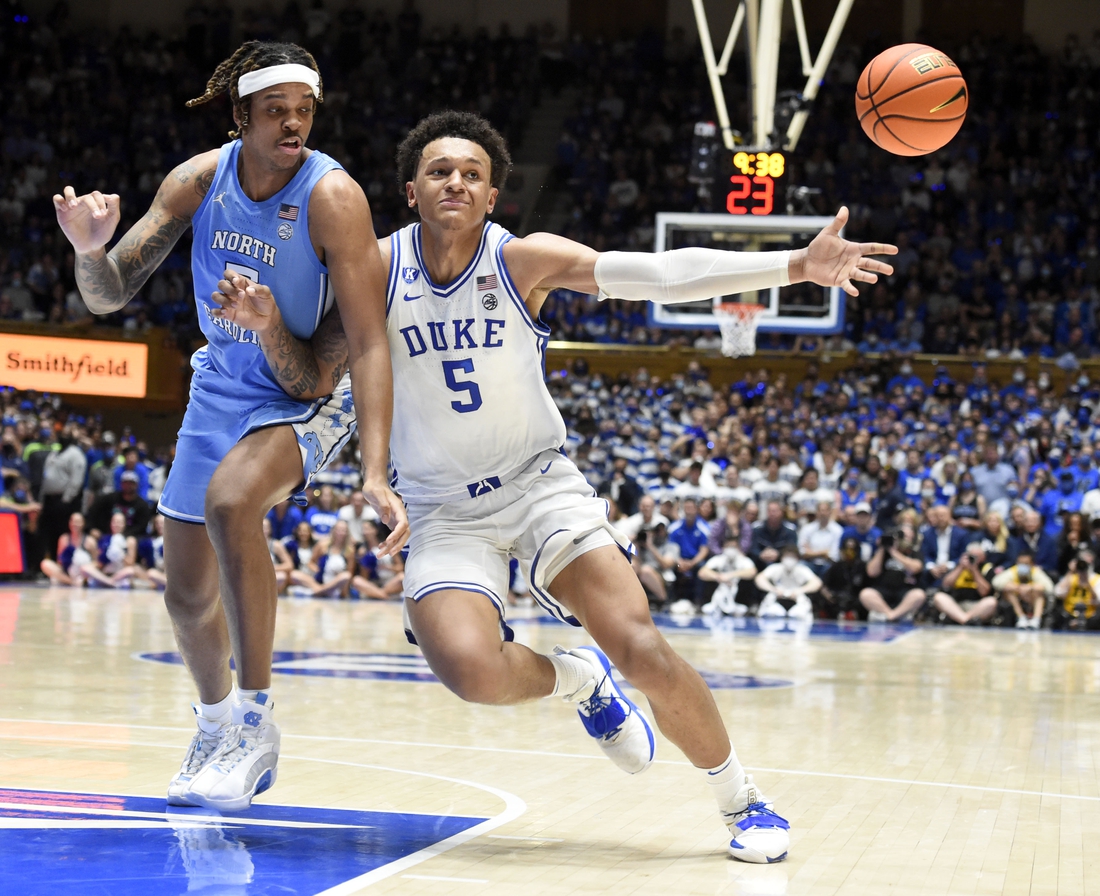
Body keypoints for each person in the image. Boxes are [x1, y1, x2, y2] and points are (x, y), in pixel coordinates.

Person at [239, 110, 895, 862]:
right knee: (471, 671)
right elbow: (317, 372)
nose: (456, 179)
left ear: (492, 199)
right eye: (439, 170)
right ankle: (577, 680)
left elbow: (660, 275)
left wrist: (793, 267)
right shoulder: (373, 270)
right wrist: (266, 328)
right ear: (410, 191)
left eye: (473, 174)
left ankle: (742, 799)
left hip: (537, 483)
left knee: (641, 644)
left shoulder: (523, 260)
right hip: (442, 509)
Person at [53, 40, 406, 812]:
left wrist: (375, 466)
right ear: (240, 115)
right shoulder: (198, 181)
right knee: (184, 593)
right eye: (276, 110)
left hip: (310, 387)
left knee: (231, 503)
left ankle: (255, 721)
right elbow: (108, 294)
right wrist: (88, 250)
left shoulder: (332, 197)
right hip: (223, 384)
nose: (293, 124)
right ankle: (214, 727)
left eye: (305, 111)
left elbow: (358, 346)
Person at [860, 525, 926, 622]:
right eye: (902, 536)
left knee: (919, 595)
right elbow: (871, 572)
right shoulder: (883, 553)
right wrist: (882, 548)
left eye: (907, 537)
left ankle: (890, 616)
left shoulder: (914, 552)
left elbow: (916, 568)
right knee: (865, 594)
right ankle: (892, 615)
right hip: (883, 591)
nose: (904, 540)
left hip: (904, 591)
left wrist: (894, 552)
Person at [930, 543, 997, 625]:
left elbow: (984, 592)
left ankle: (962, 619)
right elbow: (946, 584)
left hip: (976, 606)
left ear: (983, 557)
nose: (973, 559)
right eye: (971, 556)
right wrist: (960, 567)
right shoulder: (960, 566)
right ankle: (966, 620)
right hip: (957, 606)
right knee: (938, 597)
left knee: (991, 602)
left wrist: (974, 570)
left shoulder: (986, 568)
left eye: (977, 557)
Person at [290, 518, 355, 597]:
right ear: (333, 530)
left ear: (347, 533)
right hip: (320, 580)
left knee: (346, 576)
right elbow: (310, 562)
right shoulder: (323, 545)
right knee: (294, 574)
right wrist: (317, 570)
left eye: (343, 530)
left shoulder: (349, 551)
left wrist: (344, 591)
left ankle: (314, 592)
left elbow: (349, 572)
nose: (340, 533)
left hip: (336, 583)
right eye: (338, 530)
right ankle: (322, 590)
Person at [698, 531, 757, 617]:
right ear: (723, 547)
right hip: (720, 591)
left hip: (738, 596)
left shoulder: (743, 560)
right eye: (728, 546)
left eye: (733, 547)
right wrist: (718, 577)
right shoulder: (718, 559)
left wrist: (730, 575)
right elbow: (702, 572)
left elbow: (752, 572)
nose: (730, 549)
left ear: (738, 548)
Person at [754, 545, 821, 619]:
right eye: (787, 556)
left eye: (792, 557)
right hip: (777, 596)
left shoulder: (803, 569)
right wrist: (773, 589)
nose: (789, 559)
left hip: (797, 597)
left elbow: (817, 583)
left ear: (797, 558)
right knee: (771, 610)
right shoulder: (775, 568)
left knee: (800, 612)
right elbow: (759, 579)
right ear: (782, 557)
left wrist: (800, 591)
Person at [992, 549, 1054, 629]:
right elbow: (996, 582)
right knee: (1008, 590)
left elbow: (1050, 587)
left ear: (1032, 564)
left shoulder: (1036, 572)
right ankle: (1021, 618)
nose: (1022, 566)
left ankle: (1036, 620)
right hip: (1016, 601)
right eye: (1020, 563)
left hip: (1031, 600)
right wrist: (1017, 587)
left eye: (1026, 563)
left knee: (1038, 592)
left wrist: (1030, 588)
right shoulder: (1012, 571)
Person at [86, 471, 152, 537]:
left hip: (130, 538)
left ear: (136, 485)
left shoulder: (142, 505)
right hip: (106, 535)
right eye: (126, 483)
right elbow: (92, 512)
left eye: (131, 483)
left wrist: (127, 535)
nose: (128, 486)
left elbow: (141, 526)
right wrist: (92, 529)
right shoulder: (109, 499)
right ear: (121, 484)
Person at [39, 511, 95, 586]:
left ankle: (73, 581)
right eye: (73, 521)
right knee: (45, 563)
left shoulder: (90, 541)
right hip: (67, 572)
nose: (75, 524)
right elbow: (59, 562)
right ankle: (71, 582)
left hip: (83, 573)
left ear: (83, 523)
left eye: (78, 522)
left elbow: (96, 562)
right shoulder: (63, 539)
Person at [1052, 548, 1100, 631]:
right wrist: (1070, 571)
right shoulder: (1071, 577)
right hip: (1069, 612)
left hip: (1090, 614)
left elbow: (1098, 600)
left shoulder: (1096, 579)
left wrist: (1087, 582)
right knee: (1057, 614)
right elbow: (1057, 593)